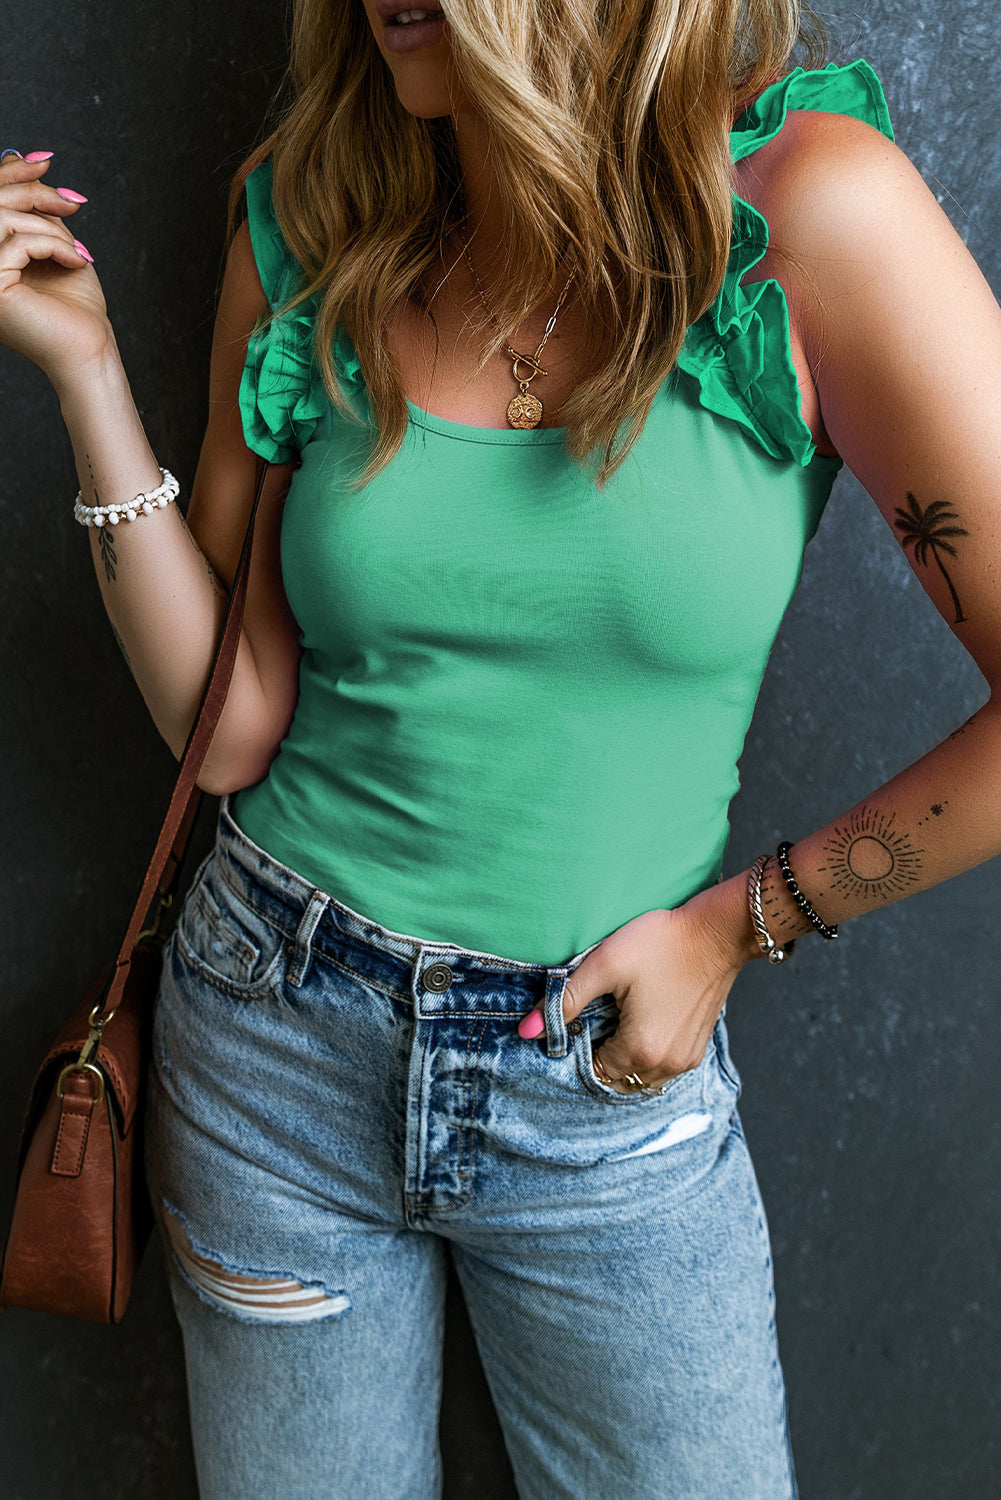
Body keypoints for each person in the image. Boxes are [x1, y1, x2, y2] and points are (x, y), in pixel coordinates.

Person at [2, 0, 999, 1494]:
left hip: (599, 1091)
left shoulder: (810, 215)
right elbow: (226, 728)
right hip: (272, 1039)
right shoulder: (316, 210)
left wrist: (746, 925)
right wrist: (83, 375)